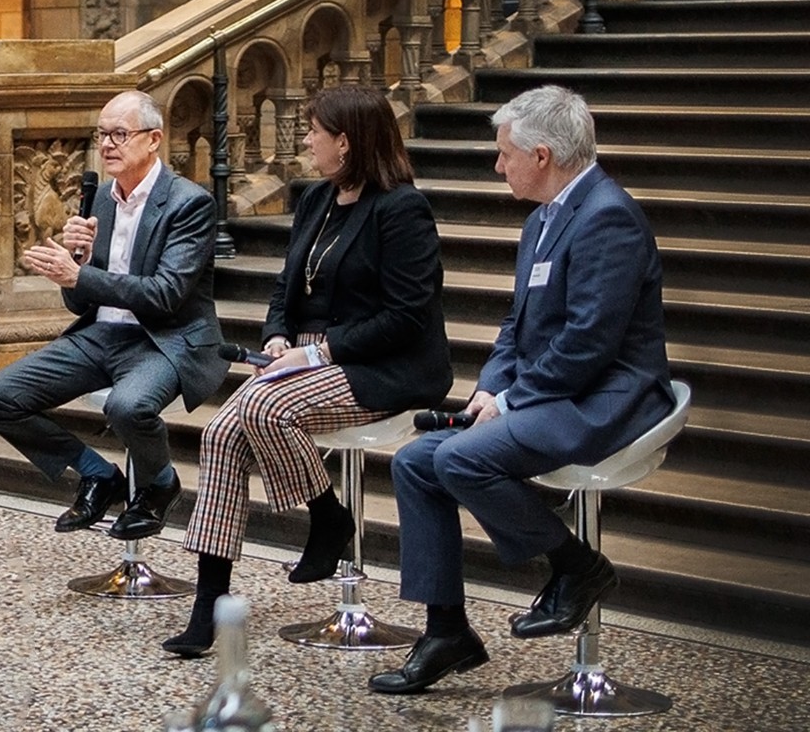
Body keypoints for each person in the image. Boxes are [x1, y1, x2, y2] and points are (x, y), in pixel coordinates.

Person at [368, 85, 674, 694]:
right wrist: (490, 390)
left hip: (609, 397)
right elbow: (517, 325)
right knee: (414, 462)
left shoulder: (607, 216)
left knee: (458, 456)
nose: (497, 164)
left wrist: (512, 400)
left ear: (541, 156)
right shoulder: (544, 216)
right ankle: (447, 630)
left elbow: (589, 344)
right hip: (555, 389)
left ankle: (575, 566)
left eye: (505, 153)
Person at [162, 85, 452, 656]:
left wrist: (318, 352)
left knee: (266, 407)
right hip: (304, 359)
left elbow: (406, 315)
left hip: (381, 364)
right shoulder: (317, 200)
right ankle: (209, 609)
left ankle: (327, 518)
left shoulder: (401, 209)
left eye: (315, 131)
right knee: (223, 433)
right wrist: (276, 335)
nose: (307, 140)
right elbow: (285, 288)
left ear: (344, 143)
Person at [0, 90, 228, 542]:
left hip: (164, 338)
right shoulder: (100, 199)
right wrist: (77, 267)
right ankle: (96, 473)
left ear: (154, 140)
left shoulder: (190, 203)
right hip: (100, 333)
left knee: (127, 405)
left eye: (120, 134)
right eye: (102, 134)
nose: (108, 144)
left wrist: (81, 276)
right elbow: (79, 303)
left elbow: (166, 295)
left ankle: (159, 485)